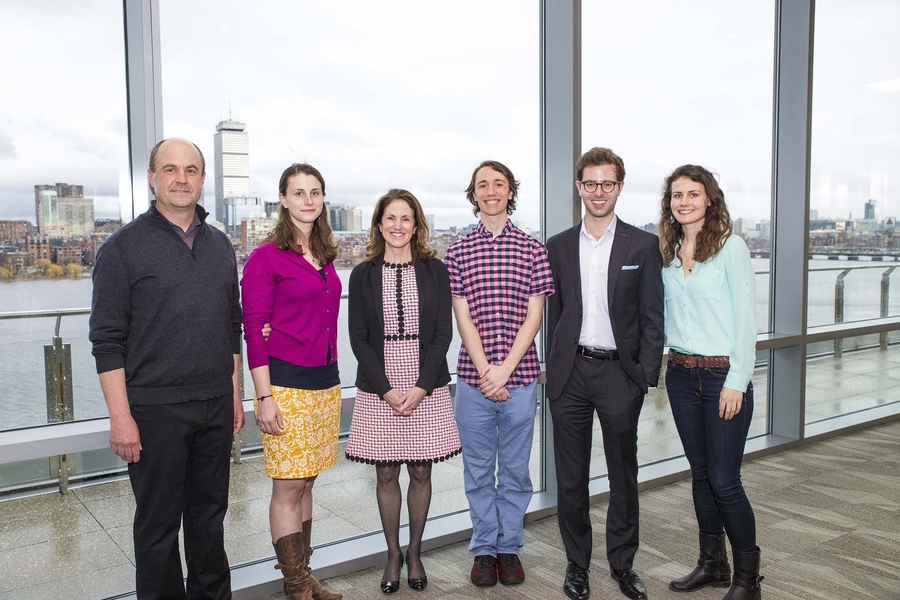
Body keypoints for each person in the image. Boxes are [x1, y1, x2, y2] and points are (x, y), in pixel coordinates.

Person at [90, 137, 244, 600]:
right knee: (158, 531)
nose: (182, 178)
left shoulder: (220, 245)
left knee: (209, 521)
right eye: (171, 169)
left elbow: (230, 325)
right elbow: (106, 341)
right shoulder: (121, 249)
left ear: (202, 179)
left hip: (215, 405)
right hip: (155, 412)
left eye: (192, 170)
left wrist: (234, 392)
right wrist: (121, 418)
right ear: (153, 177)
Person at [546, 147, 664, 600]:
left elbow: (653, 316)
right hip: (570, 374)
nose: (598, 191)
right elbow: (553, 315)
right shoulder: (557, 245)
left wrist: (643, 378)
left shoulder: (642, 245)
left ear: (619, 186)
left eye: (607, 183)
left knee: (623, 475)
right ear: (579, 186)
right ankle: (577, 565)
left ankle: (622, 563)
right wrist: (555, 365)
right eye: (590, 183)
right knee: (571, 478)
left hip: (620, 376)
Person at [443, 160, 554, 588]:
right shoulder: (457, 249)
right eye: (482, 185)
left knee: (514, 470)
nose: (491, 191)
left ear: (511, 191)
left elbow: (535, 315)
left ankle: (509, 547)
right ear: (474, 194)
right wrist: (487, 371)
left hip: (521, 378)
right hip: (473, 382)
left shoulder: (532, 247)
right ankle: (484, 549)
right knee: (476, 471)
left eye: (499, 184)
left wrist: (505, 370)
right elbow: (462, 317)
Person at [345, 189, 461, 594]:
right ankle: (392, 554)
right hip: (380, 384)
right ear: (379, 224)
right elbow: (358, 338)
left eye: (406, 218)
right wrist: (387, 390)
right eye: (390, 218)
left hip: (424, 379)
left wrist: (421, 386)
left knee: (421, 469)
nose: (398, 225)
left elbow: (443, 334)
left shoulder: (435, 270)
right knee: (387, 470)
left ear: (417, 224)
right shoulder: (362, 274)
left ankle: (415, 552)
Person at [658, 165, 762, 600]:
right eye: (677, 195)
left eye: (693, 194)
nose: (684, 202)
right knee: (700, 475)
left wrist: (738, 379)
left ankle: (747, 579)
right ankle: (712, 564)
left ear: (709, 199)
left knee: (725, 479)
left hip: (723, 377)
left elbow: (745, 320)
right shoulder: (666, 250)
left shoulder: (730, 248)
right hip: (680, 375)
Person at [240, 163, 343, 600]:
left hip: (326, 381)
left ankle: (304, 574)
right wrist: (263, 396)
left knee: (308, 480)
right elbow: (253, 326)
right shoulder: (266, 256)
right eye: (298, 193)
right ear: (282, 200)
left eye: (315, 192)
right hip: (285, 384)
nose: (308, 200)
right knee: (288, 485)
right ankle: (296, 585)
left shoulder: (326, 253)